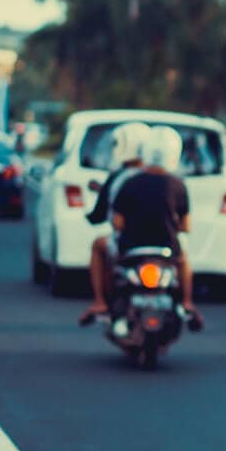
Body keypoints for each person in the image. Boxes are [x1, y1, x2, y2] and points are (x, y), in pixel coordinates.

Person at [109, 125, 202, 331]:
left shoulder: (129, 183)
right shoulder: (178, 185)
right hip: (166, 248)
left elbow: (118, 223)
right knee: (184, 260)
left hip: (131, 248)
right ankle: (187, 302)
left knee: (113, 269)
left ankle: (104, 305)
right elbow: (186, 226)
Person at [78, 121, 152, 324]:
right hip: (162, 243)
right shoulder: (160, 177)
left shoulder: (118, 179)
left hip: (127, 243)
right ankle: (186, 301)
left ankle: (100, 301)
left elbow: (99, 217)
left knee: (98, 245)